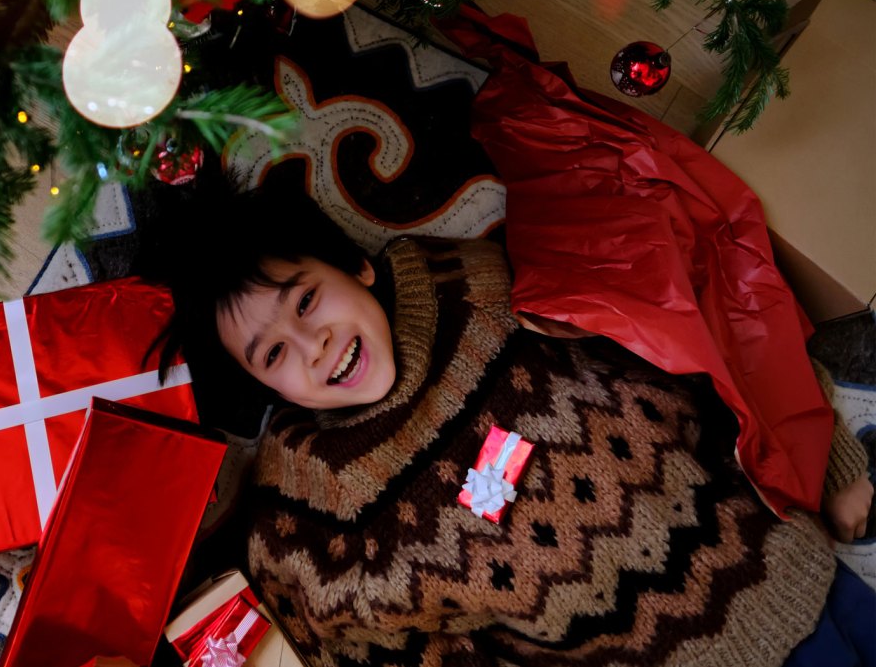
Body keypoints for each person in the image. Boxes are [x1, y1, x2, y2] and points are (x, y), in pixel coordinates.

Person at [155, 185, 875, 667]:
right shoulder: (310, 518)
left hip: (800, 577)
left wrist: (827, 464)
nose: (311, 346)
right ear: (261, 385)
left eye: (306, 300)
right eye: (273, 352)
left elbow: (709, 325)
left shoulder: (491, 286)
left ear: (354, 267)